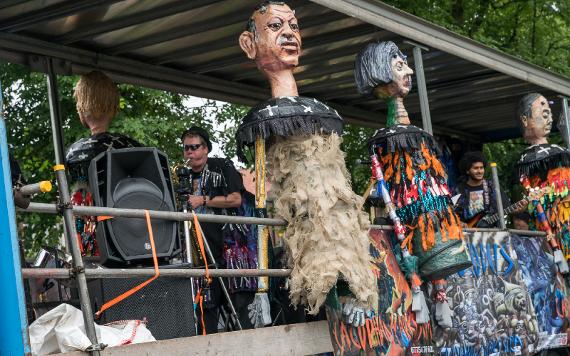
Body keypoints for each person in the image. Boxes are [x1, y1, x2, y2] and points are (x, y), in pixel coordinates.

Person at [236, 1, 377, 325]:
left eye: (294, 26)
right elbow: (262, 203)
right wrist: (261, 287)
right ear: (249, 43)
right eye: (275, 27)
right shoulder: (264, 122)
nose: (288, 34)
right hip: (296, 244)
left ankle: (350, 283)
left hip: (335, 238)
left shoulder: (319, 113)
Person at [355, 41, 471, 327]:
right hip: (406, 207)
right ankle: (420, 290)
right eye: (398, 67)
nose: (408, 72)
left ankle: (439, 294)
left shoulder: (415, 134)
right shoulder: (386, 138)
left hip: (434, 207)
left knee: (435, 238)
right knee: (416, 238)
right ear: (381, 75)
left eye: (406, 64)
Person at [181, 126, 253, 333]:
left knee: (237, 311)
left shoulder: (221, 167)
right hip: (199, 252)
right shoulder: (183, 175)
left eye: (195, 147)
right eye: (186, 148)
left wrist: (202, 199)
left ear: (206, 148)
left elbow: (236, 199)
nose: (190, 152)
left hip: (229, 250)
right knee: (205, 310)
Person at [65, 71, 141, 256]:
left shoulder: (72, 151)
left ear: (82, 110)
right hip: (125, 230)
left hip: (84, 231)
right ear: (113, 107)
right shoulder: (129, 146)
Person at [516, 93, 570, 273]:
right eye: (544, 114)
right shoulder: (529, 158)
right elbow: (530, 193)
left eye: (550, 115)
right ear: (525, 120)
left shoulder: (559, 151)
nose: (549, 119)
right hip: (553, 224)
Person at [454, 151, 510, 227]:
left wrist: (520, 208)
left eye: (481, 168)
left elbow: (507, 208)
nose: (480, 171)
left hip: (492, 234)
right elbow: (451, 213)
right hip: (466, 234)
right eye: (476, 168)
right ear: (467, 171)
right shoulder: (459, 189)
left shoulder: (492, 187)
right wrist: (459, 223)